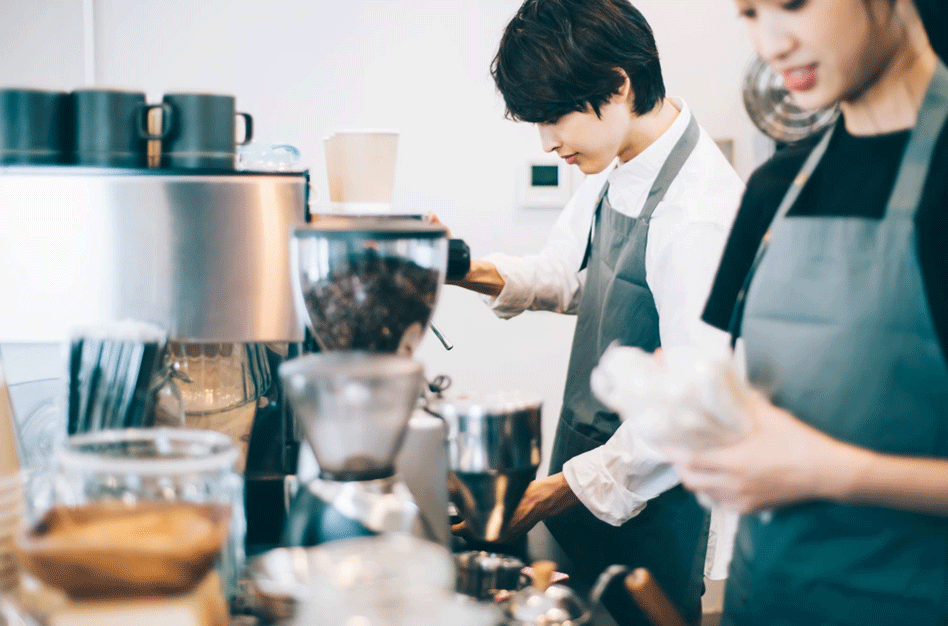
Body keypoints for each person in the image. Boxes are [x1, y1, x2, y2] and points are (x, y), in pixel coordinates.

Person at [449, 0, 744, 622]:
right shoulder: (619, 165)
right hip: (589, 467)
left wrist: (557, 491)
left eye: (554, 117)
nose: (547, 140)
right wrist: (454, 266)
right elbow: (570, 276)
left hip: (656, 501)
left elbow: (697, 404)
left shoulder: (700, 215)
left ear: (617, 86)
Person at [663, 0, 948, 623]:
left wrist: (834, 473)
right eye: (748, 13)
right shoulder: (774, 189)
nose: (770, 43)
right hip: (766, 599)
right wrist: (692, 403)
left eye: (792, 4)